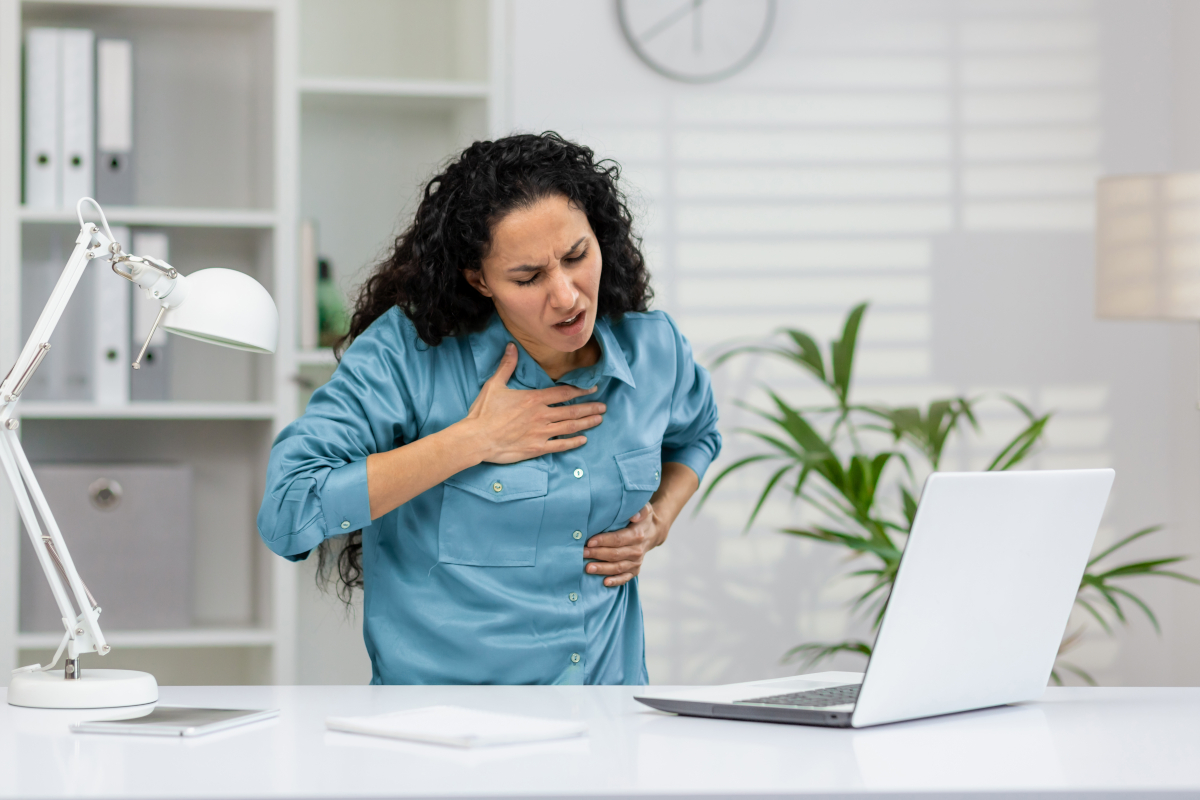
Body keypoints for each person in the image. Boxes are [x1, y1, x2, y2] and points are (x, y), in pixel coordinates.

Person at [257, 132, 721, 685]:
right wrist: (473, 441)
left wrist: (658, 521)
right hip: (444, 733)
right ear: (479, 280)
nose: (568, 295)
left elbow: (699, 435)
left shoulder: (655, 350)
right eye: (528, 277)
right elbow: (288, 512)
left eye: (577, 256)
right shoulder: (407, 355)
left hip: (609, 716)